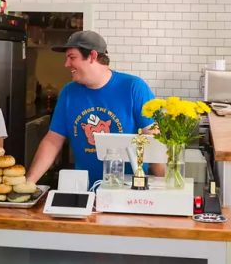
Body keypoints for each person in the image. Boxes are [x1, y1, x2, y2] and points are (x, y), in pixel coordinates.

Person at [26, 30, 163, 185]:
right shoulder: (68, 92)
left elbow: (154, 141)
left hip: (128, 191)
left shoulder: (133, 88)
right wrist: (29, 183)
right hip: (85, 191)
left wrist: (167, 190)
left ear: (92, 56)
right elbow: (53, 140)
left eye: (72, 57)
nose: (66, 64)